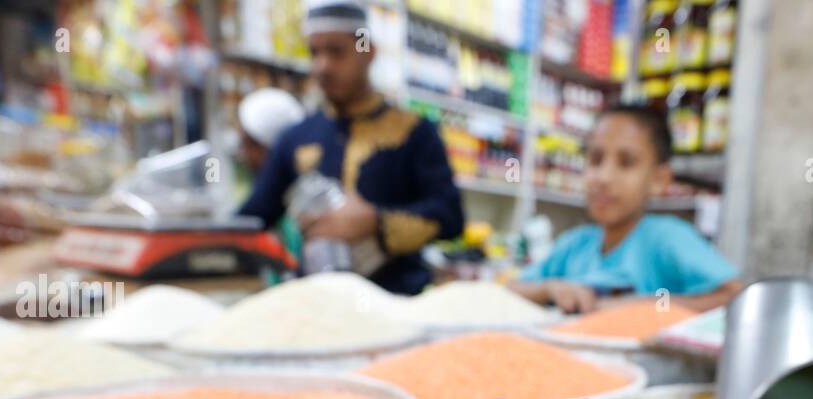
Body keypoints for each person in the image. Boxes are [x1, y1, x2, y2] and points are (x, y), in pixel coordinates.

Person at [238, 0, 464, 295]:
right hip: (317, 303)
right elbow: (253, 218)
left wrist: (375, 221)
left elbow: (450, 216)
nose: (322, 66)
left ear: (366, 51)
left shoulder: (414, 132)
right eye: (315, 53)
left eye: (336, 51)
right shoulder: (296, 137)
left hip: (397, 300)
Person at [511, 105, 740, 314]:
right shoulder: (574, 244)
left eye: (627, 162)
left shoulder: (666, 238)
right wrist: (550, 288)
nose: (603, 177)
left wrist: (640, 307)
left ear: (659, 179)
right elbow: (512, 289)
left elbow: (734, 295)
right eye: (595, 159)